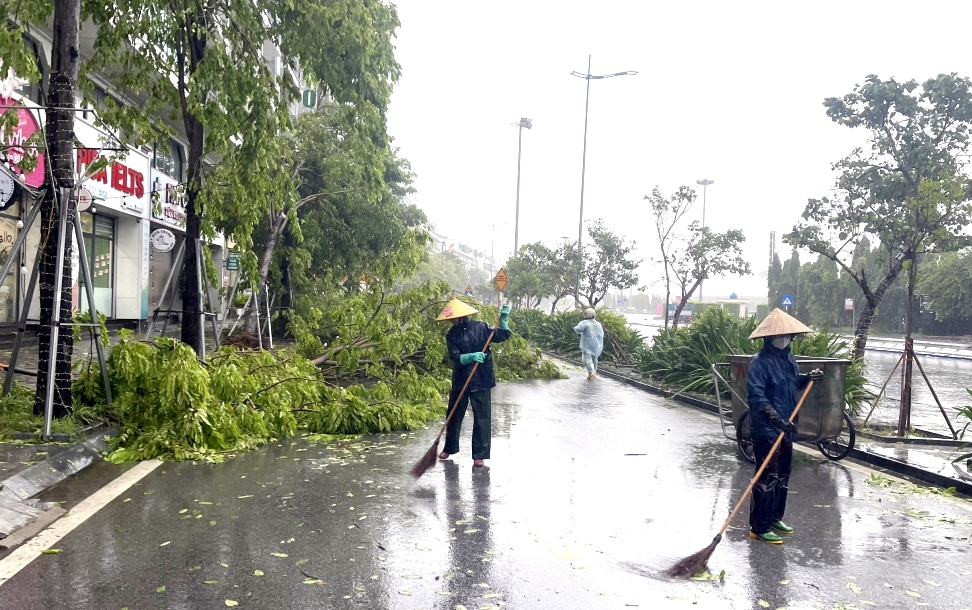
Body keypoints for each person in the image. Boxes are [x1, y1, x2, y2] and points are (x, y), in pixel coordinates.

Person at [746, 308, 823, 545]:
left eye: (787, 336)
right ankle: (759, 526)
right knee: (767, 477)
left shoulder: (788, 359)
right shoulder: (759, 363)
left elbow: (793, 384)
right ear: (769, 338)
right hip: (767, 429)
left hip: (787, 428)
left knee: (782, 476)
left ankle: (775, 517)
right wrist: (777, 420)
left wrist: (808, 377)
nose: (784, 339)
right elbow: (757, 398)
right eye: (779, 336)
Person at [436, 298, 512, 467]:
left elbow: (500, 335)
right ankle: (449, 447)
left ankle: (480, 454)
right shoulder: (451, 335)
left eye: (453, 317)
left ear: (462, 316)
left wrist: (504, 320)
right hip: (461, 378)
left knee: (482, 416)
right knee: (454, 414)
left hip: (482, 377)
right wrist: (470, 357)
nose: (451, 320)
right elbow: (454, 357)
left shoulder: (481, 327)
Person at [573, 308, 604, 380]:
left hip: (586, 344)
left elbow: (578, 329)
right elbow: (601, 334)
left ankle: (591, 372)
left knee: (587, 358)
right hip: (596, 344)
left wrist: (574, 328)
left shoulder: (584, 322)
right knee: (594, 358)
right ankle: (594, 372)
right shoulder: (598, 323)